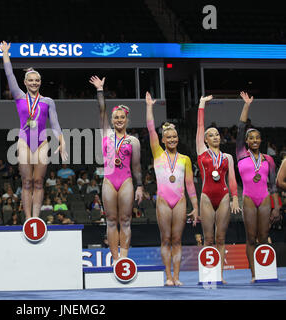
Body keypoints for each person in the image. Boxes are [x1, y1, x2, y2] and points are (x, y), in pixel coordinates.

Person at [0, 41, 67, 220]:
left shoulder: (48, 101)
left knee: (38, 182)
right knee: (26, 182)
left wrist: (62, 142)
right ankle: (28, 218)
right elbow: (9, 75)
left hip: (42, 142)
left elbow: (55, 124)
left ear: (40, 82)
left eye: (37, 80)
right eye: (30, 80)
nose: (34, 82)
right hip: (24, 141)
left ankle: (36, 218)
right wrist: (5, 53)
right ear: (25, 82)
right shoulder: (19, 96)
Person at [145, 92, 198, 286]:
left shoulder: (185, 159)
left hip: (181, 201)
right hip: (163, 200)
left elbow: (190, 184)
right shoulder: (158, 153)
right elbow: (151, 129)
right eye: (169, 137)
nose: (173, 139)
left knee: (177, 239)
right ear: (164, 139)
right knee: (165, 238)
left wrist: (196, 206)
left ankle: (177, 277)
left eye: (175, 136)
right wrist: (149, 106)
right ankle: (168, 277)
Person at [90, 76, 144, 263]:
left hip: (127, 181)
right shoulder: (105, 133)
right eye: (116, 117)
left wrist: (140, 186)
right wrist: (100, 90)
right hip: (109, 182)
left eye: (122, 117)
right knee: (111, 220)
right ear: (111, 120)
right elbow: (101, 109)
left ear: (126, 120)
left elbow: (136, 166)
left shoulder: (133, 140)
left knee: (125, 220)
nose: (119, 120)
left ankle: (124, 258)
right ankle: (114, 259)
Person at [195, 95, 241, 283]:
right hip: (206, 196)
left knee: (221, 238)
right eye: (211, 134)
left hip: (223, 196)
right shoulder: (201, 152)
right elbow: (199, 126)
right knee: (208, 239)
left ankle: (220, 275)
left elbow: (231, 179)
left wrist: (235, 197)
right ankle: (208, 273)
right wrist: (202, 104)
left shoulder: (227, 157)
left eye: (217, 134)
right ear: (205, 139)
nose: (215, 136)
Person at [236, 92, 280, 283]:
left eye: (257, 138)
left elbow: (272, 186)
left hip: (264, 199)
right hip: (247, 199)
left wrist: (276, 206)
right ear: (246, 141)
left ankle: (265, 272)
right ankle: (254, 274)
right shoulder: (240, 154)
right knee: (251, 238)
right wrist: (246, 105)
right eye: (251, 138)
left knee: (264, 236)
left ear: (261, 141)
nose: (254, 140)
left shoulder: (268, 159)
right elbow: (240, 128)